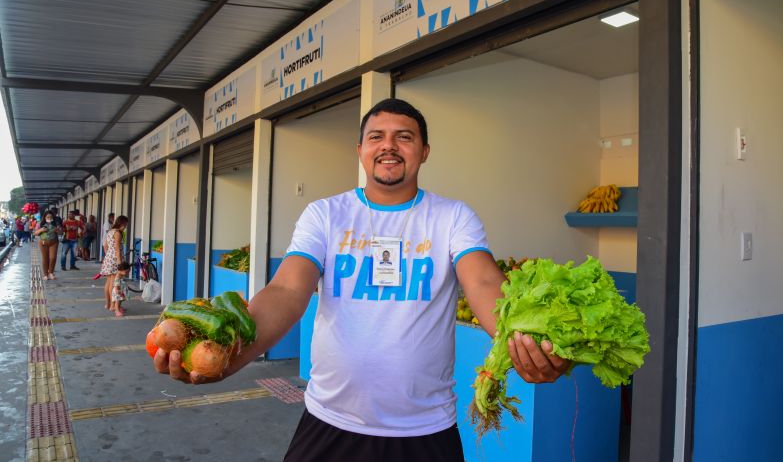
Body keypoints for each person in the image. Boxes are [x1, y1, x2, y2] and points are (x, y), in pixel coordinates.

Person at [155, 99, 570, 460]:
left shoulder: (452, 217)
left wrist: (523, 340)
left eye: (404, 137)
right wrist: (231, 355)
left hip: (424, 430)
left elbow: (480, 282)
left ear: (424, 151)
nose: (389, 145)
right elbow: (287, 290)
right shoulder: (325, 215)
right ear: (360, 150)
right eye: (376, 137)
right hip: (331, 422)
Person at [100, 216, 128, 314]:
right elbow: (117, 249)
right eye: (125, 225)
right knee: (114, 283)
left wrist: (109, 255)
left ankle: (107, 304)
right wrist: (120, 263)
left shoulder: (110, 232)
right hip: (115, 259)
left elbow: (105, 245)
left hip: (109, 258)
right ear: (122, 223)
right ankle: (113, 305)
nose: (125, 227)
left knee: (108, 282)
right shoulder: (118, 233)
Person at [34, 211, 60, 280]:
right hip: (43, 243)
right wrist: (41, 230)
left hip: (54, 242)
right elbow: (35, 233)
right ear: (45, 217)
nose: (49, 218)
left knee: (53, 258)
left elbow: (61, 232)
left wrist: (58, 230)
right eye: (48, 217)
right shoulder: (40, 223)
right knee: (45, 258)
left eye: (51, 217)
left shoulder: (56, 223)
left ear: (53, 218)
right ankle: (45, 274)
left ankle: (51, 273)